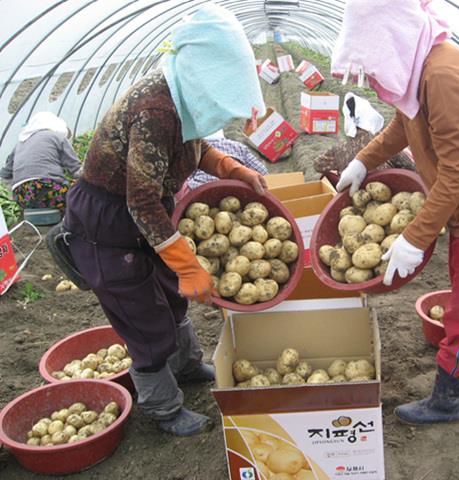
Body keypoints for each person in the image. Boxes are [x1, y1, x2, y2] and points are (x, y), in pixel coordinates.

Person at [59, 5, 266, 437]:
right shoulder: (155, 107)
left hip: (144, 217)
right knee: (142, 317)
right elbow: (141, 200)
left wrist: (231, 168)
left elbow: (192, 144)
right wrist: (189, 263)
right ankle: (163, 408)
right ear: (201, 72)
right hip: (109, 224)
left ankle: (187, 365)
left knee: (170, 296)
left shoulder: (182, 97)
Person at [332, 0, 459, 425]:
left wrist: (414, 236)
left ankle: (448, 402)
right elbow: (401, 126)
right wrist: (364, 161)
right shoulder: (420, 66)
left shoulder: (441, 76)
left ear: (391, 40)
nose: (371, 75)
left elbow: (458, 171)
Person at [0, 112, 81, 211]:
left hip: (22, 197)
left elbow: (4, 175)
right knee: (81, 191)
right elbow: (76, 170)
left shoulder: (20, 143)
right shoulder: (57, 137)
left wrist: (16, 186)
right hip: (50, 190)